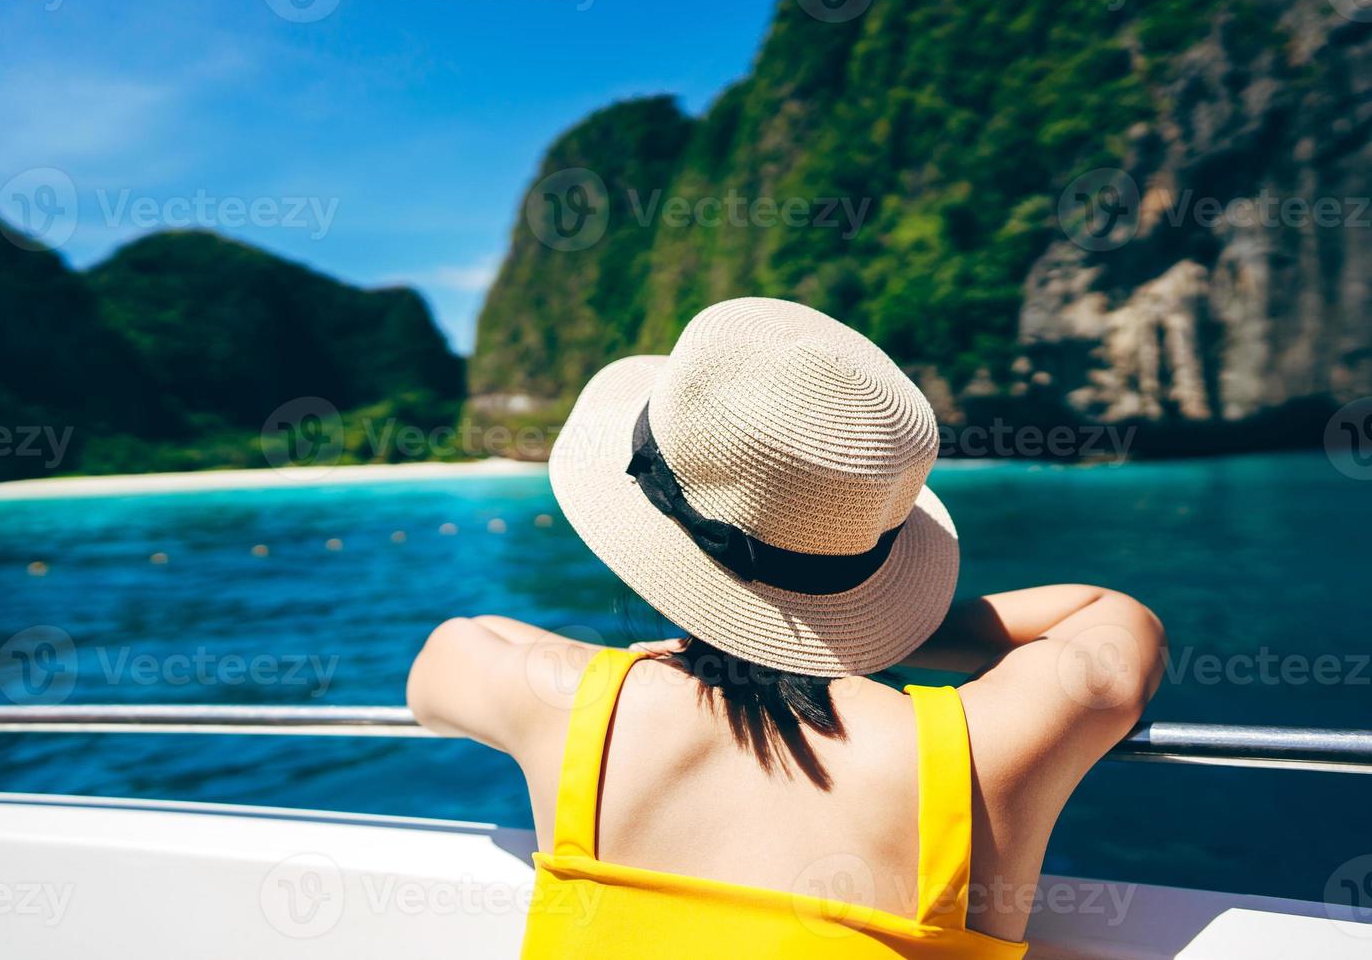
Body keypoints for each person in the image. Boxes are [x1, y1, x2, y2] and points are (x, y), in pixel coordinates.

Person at [409, 297, 1165, 957]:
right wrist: (891, 637)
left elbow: (448, 655)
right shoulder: (980, 752)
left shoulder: (580, 710)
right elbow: (1117, 622)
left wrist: (645, 661)